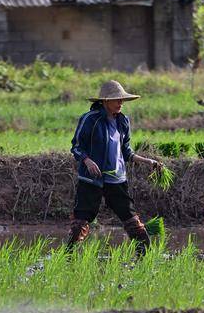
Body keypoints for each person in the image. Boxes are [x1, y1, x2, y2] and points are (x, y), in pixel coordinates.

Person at [67, 80, 162, 255]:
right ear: (104, 101)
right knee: (80, 223)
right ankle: (68, 256)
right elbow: (76, 147)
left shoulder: (123, 121)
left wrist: (149, 162)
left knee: (132, 220)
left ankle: (146, 257)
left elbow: (126, 152)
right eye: (117, 100)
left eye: (122, 100)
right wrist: (87, 160)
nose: (120, 103)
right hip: (92, 179)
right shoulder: (90, 119)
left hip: (117, 179)